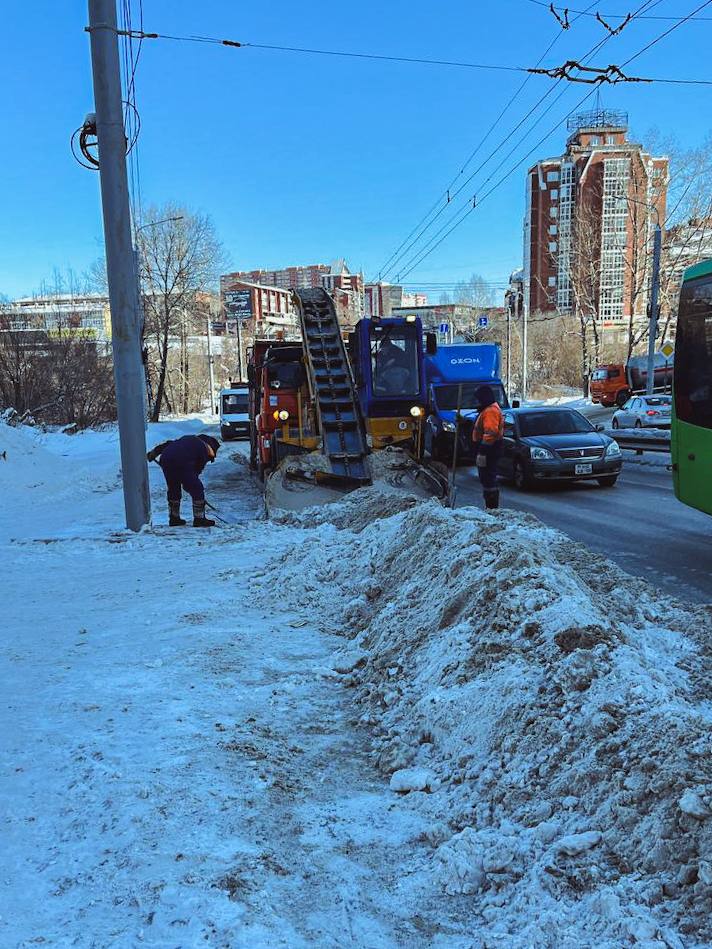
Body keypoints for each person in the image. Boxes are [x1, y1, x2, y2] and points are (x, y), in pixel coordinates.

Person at [146, 433, 220, 527]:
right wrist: (190, 487)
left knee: (173, 487)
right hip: (182, 460)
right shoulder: (204, 449)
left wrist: (153, 453)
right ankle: (199, 519)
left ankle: (174, 518)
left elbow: (168, 444)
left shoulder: (187, 439)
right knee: (197, 488)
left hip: (166, 458)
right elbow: (196, 472)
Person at [471, 385, 504, 510]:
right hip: (489, 448)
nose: (477, 401)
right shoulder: (487, 409)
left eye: (479, 399)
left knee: (488, 477)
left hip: (489, 450)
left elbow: (490, 433)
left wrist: (483, 451)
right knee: (486, 477)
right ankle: (490, 504)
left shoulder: (491, 411)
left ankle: (492, 506)